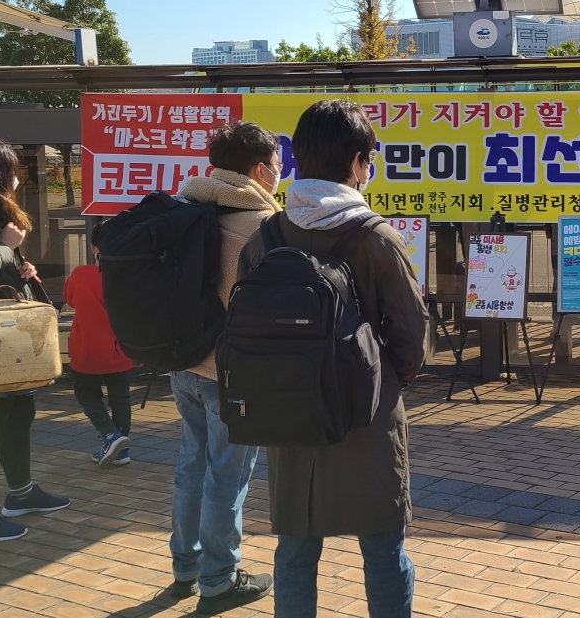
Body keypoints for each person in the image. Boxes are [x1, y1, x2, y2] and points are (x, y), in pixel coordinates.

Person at [235, 99, 427, 618]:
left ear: (299, 157)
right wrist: (385, 382)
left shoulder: (267, 237)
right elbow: (412, 335)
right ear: (358, 163)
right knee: (383, 549)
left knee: (295, 551)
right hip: (367, 414)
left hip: (289, 413)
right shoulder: (376, 237)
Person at [168, 121, 281, 614]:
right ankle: (218, 578)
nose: (279, 173)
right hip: (233, 373)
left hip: (183, 363)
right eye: (276, 165)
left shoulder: (182, 207)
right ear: (258, 169)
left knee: (190, 466)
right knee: (227, 477)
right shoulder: (264, 225)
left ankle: (185, 566)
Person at [0, 139, 70, 542]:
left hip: (11, 339)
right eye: (12, 171)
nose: (16, 179)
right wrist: (6, 250)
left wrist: (21, 266)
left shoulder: (4, 211)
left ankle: (21, 493)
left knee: (19, 413)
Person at [63, 222, 136, 468]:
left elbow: (69, 299)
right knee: (121, 398)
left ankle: (110, 435)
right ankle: (122, 450)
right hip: (120, 349)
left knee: (86, 394)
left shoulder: (80, 274)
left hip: (86, 350)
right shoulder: (129, 277)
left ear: (94, 248)